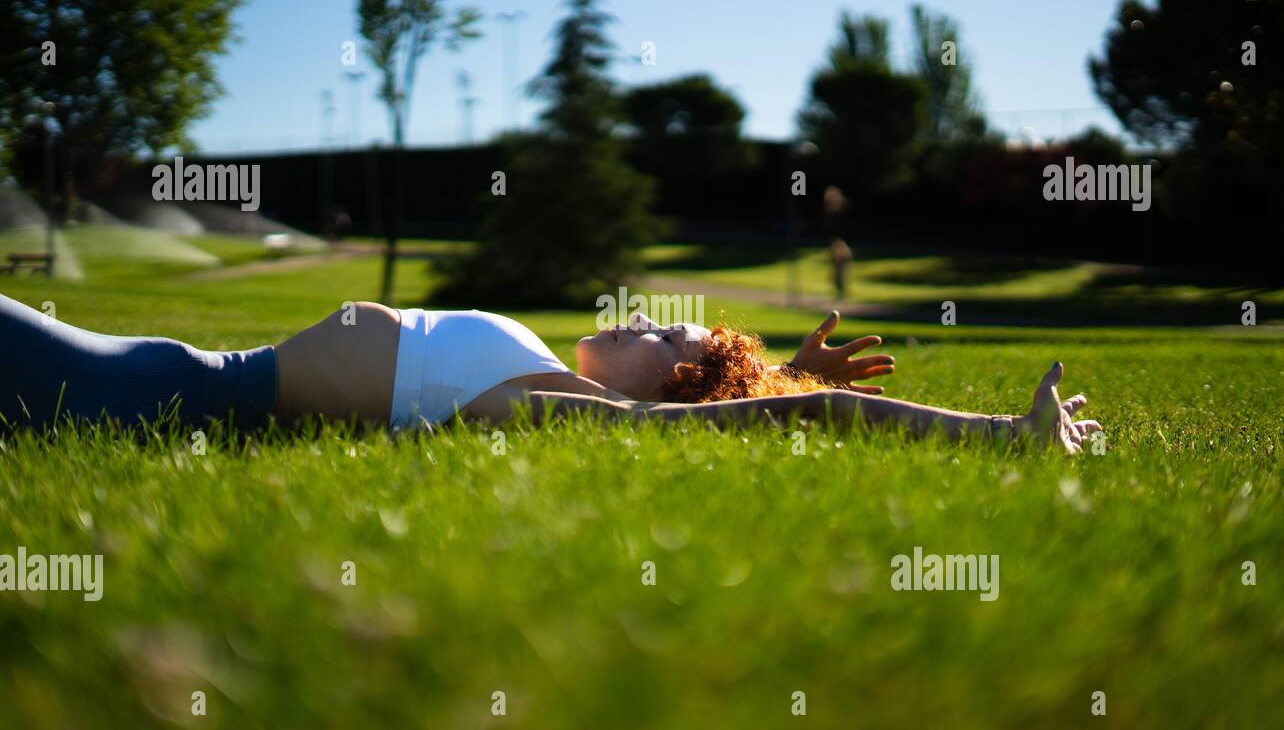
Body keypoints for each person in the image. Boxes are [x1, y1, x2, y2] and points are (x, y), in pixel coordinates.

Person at [0, 295, 1100, 452]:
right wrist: (766, 368)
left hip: (153, 395)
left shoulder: (557, 406)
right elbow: (778, 394)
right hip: (159, 372)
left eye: (667, 334)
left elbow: (817, 414)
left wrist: (996, 430)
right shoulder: (536, 358)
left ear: (668, 388)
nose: (646, 317)